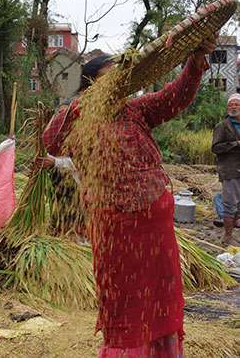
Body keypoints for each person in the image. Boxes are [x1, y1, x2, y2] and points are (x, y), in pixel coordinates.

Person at [43, 34, 218, 357]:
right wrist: (82, 104)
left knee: (161, 294)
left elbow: (175, 97)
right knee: (123, 298)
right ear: (90, 84)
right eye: (109, 80)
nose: (118, 86)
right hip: (114, 229)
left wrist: (195, 63)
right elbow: (50, 141)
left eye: (121, 79)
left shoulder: (137, 110)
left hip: (155, 225)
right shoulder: (79, 118)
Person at [211, 93, 240, 246]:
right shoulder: (223, 126)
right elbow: (215, 147)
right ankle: (227, 236)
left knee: (239, 205)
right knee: (229, 203)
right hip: (230, 169)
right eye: (231, 105)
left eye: (237, 104)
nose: (233, 107)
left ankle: (230, 235)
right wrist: (235, 144)